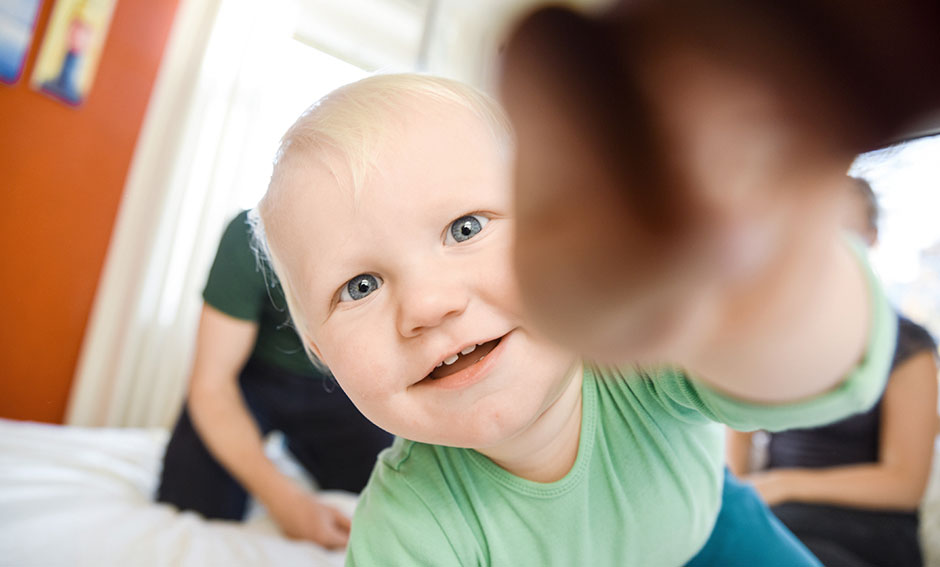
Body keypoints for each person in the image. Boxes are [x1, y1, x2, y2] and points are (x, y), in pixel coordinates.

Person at [254, 73, 896, 565]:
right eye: (359, 286)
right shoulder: (410, 526)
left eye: (465, 228)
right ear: (318, 350)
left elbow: (795, 365)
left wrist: (776, 266)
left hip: (717, 539)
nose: (428, 305)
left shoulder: (633, 360)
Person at [727, 177, 939, 567]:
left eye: (843, 232)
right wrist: (735, 501)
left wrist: (783, 484)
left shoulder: (909, 346)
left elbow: (905, 483)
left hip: (870, 526)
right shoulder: (774, 336)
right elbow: (736, 428)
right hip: (778, 511)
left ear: (872, 238)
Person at [155, 210, 394, 549]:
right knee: (190, 499)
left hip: (342, 386)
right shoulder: (249, 236)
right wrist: (287, 503)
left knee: (387, 498)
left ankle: (301, 446)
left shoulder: (391, 237)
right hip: (253, 379)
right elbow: (210, 383)